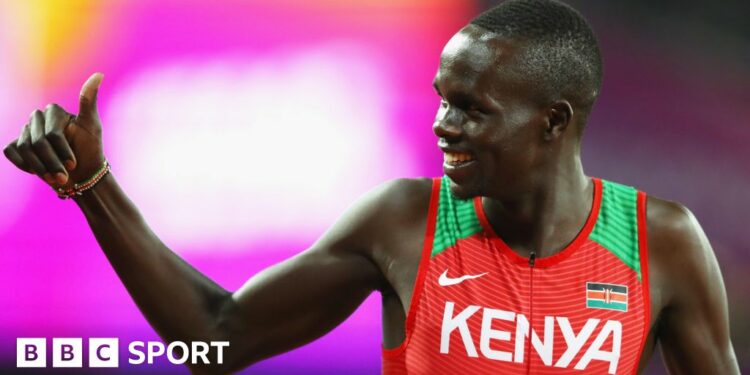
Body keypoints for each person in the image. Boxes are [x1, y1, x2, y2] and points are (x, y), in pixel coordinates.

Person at [3, 0, 740, 374]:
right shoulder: (405, 221)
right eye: (443, 99)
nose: (443, 126)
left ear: (554, 122)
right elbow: (214, 340)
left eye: (473, 110)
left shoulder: (661, 241)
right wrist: (94, 183)